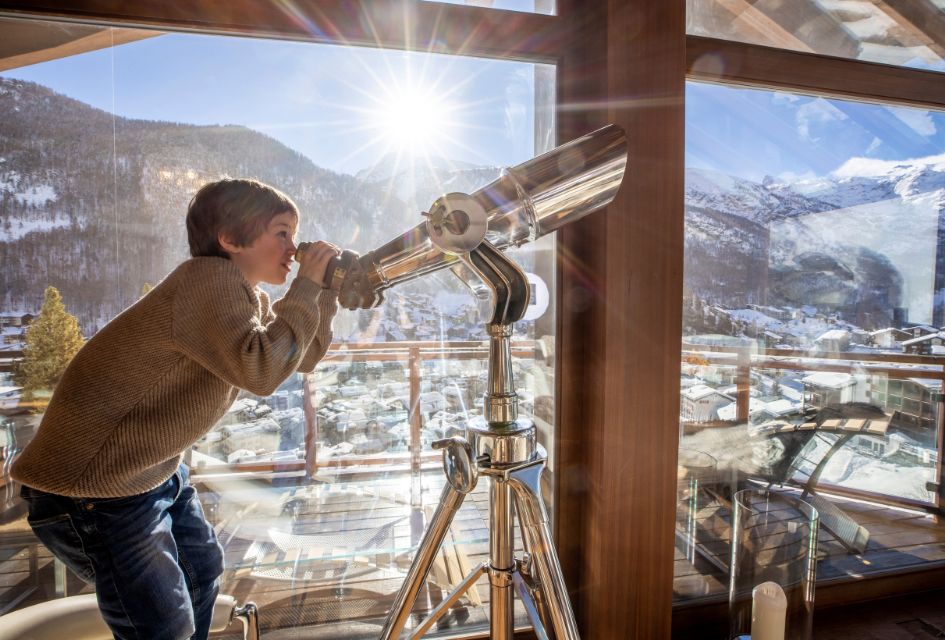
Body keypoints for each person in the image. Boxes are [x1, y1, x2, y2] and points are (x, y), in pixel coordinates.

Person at [11, 178, 340, 640]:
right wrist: (307, 288)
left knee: (201, 571)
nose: (294, 247)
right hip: (94, 489)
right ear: (230, 240)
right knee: (162, 627)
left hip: (148, 472)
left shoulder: (244, 294)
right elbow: (262, 371)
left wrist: (322, 293)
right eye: (282, 232)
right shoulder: (208, 281)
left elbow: (297, 356)